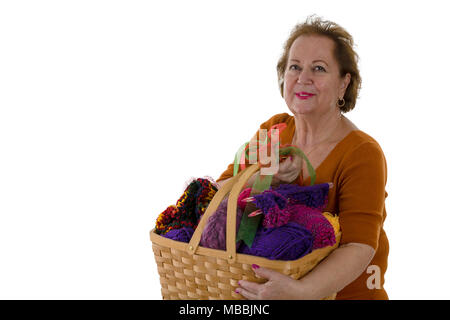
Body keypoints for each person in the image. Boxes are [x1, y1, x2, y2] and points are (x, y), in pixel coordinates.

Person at [215, 15, 389, 300]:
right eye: (295, 66)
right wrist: (263, 178)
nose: (302, 78)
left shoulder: (362, 153)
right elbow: (218, 197)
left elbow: (359, 247)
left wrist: (301, 291)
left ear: (344, 84)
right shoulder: (274, 130)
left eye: (318, 68)